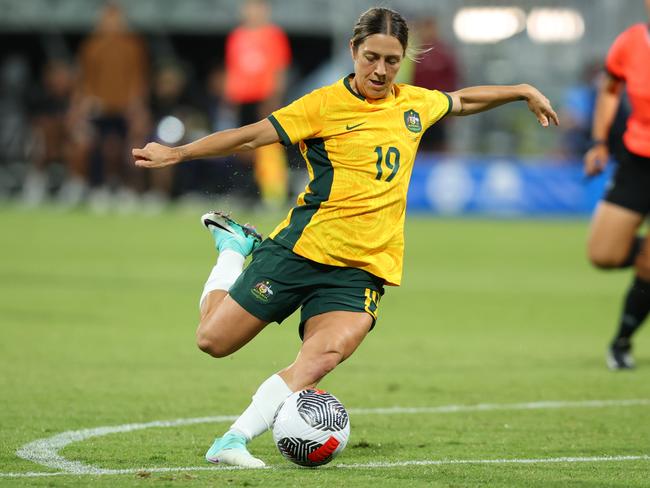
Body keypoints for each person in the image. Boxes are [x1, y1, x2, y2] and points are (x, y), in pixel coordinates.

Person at [132, 7, 558, 468]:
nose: (380, 70)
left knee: (322, 356)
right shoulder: (322, 106)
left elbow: (462, 100)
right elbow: (253, 136)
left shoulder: (413, 105)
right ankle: (233, 247)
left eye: (392, 61)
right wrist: (179, 152)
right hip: (301, 249)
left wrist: (521, 91)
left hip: (363, 268)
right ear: (354, 50)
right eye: (371, 57)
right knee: (213, 341)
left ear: (403, 59)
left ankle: (233, 440)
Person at [583, 2, 650, 370]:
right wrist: (599, 141)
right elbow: (611, 89)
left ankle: (621, 342)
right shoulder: (631, 43)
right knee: (603, 253)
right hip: (639, 159)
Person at [223, 0, 292, 208]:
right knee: (243, 146)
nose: (252, 12)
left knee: (268, 145)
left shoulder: (274, 35)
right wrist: (230, 97)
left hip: (264, 98)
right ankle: (248, 190)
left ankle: (273, 192)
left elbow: (280, 69)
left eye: (257, 7)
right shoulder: (236, 36)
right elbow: (232, 69)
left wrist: (274, 98)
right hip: (242, 99)